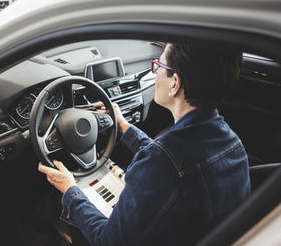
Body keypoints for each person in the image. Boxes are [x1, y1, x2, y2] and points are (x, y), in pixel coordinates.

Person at [38, 43, 251, 246]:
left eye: (158, 66)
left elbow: (107, 240)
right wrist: (123, 126)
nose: (155, 73)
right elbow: (170, 160)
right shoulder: (232, 143)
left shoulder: (162, 163)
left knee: (54, 210)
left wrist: (70, 190)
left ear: (174, 83)